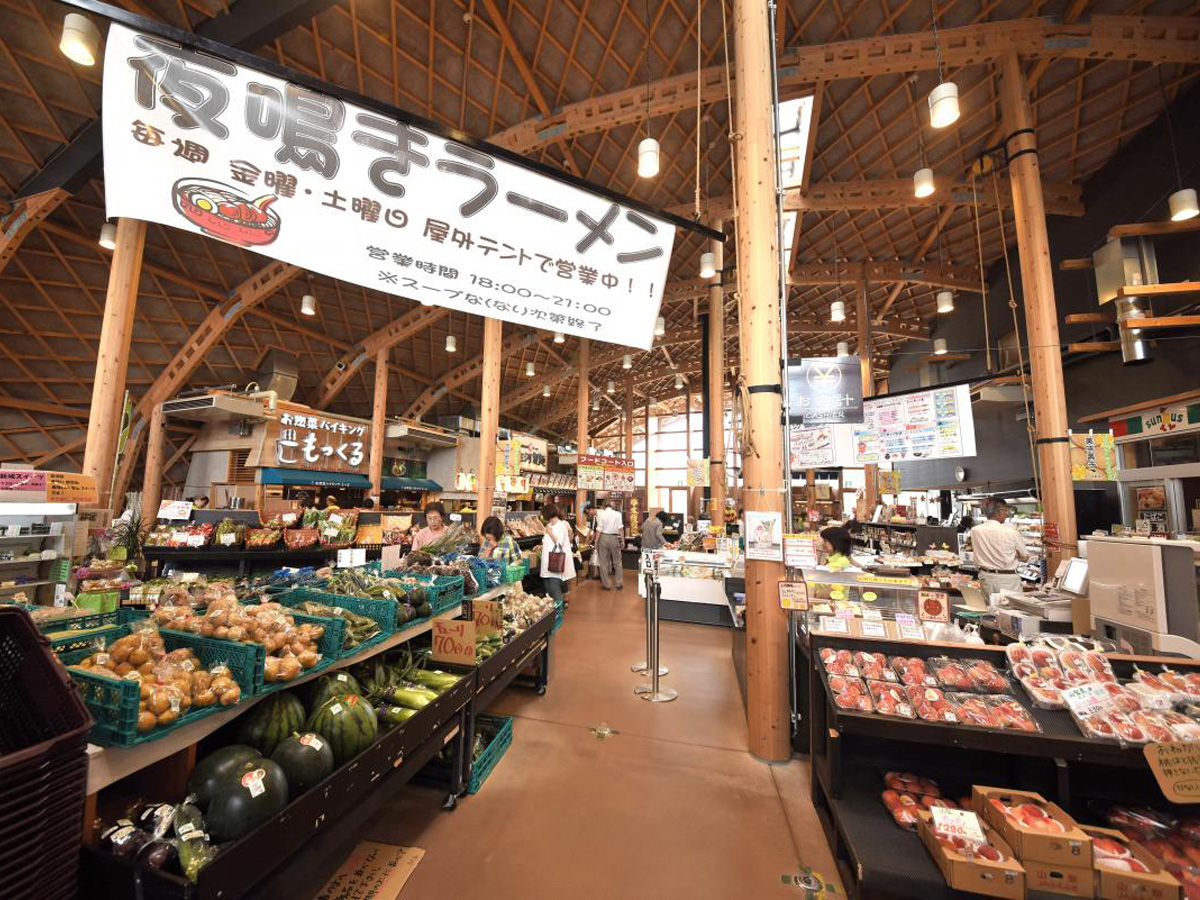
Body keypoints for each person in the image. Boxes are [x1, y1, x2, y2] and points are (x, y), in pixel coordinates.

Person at [969, 496, 1029, 598]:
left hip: (986, 578)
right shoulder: (1011, 532)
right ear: (1000, 512)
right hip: (1008, 580)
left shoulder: (975, 531)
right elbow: (1025, 557)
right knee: (1010, 607)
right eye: (1005, 510)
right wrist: (1014, 554)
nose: (1006, 513)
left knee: (989, 607)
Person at [539, 502, 575, 608]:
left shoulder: (561, 525)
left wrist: (550, 532)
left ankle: (558, 612)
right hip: (548, 562)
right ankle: (554, 611)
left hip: (555, 562)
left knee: (554, 590)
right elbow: (548, 541)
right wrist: (540, 546)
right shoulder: (550, 525)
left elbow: (559, 543)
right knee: (549, 590)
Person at [593, 498, 625, 591]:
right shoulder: (618, 514)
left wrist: (596, 541)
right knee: (617, 562)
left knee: (603, 562)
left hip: (603, 538)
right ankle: (619, 583)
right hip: (615, 538)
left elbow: (599, 529)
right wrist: (622, 540)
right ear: (612, 505)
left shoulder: (601, 515)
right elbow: (620, 529)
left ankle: (606, 584)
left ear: (604, 505)